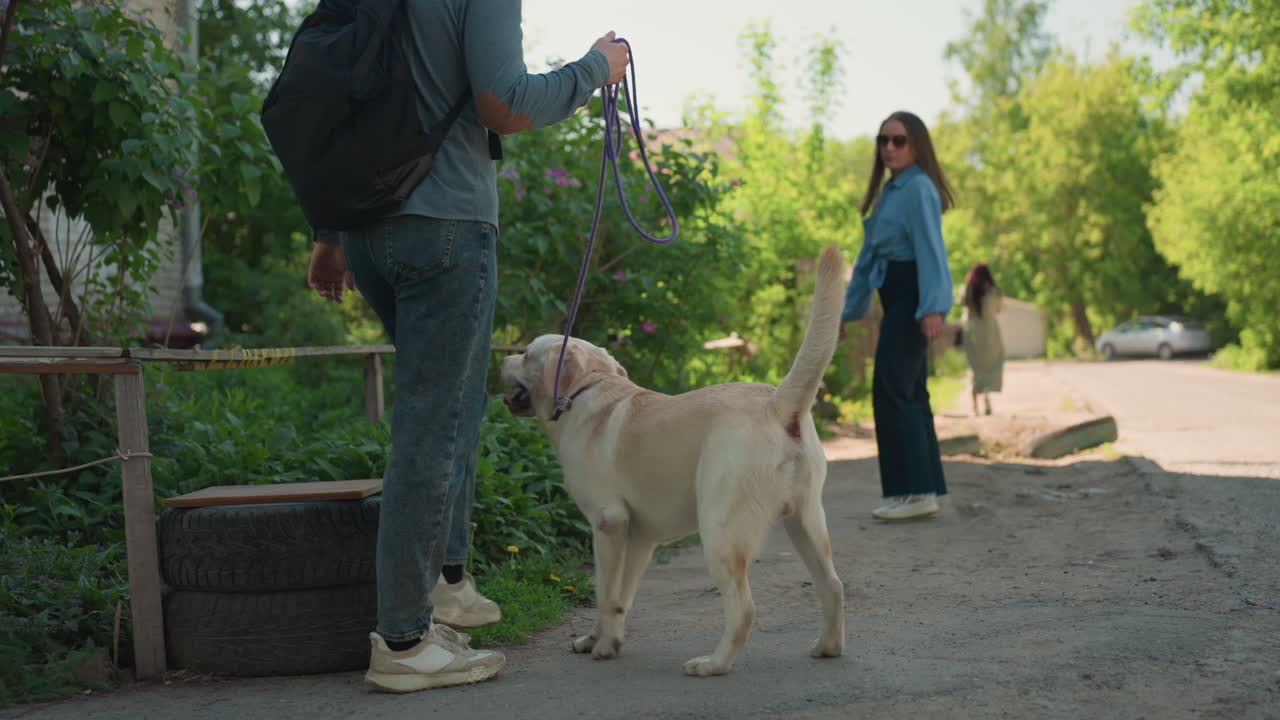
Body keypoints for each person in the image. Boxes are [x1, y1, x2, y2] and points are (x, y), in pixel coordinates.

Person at [305, 2, 630, 693]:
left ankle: (446, 585)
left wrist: (329, 232)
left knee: (448, 413)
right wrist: (595, 70)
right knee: (430, 427)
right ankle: (403, 638)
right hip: (445, 225)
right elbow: (504, 103)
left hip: (366, 229)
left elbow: (336, 100)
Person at [840, 111, 955, 522]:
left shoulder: (918, 188)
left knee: (892, 392)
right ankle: (923, 489)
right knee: (909, 392)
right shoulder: (893, 191)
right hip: (896, 295)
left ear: (917, 145)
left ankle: (912, 491)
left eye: (899, 140)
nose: (889, 148)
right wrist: (847, 311)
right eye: (883, 140)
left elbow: (931, 249)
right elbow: (869, 257)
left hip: (912, 296)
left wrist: (933, 307)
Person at [962, 263, 1005, 416]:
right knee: (992, 365)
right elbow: (1000, 309)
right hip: (991, 334)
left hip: (973, 334)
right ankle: (986, 394)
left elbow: (961, 304)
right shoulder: (994, 292)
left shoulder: (968, 290)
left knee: (974, 368)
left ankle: (974, 407)